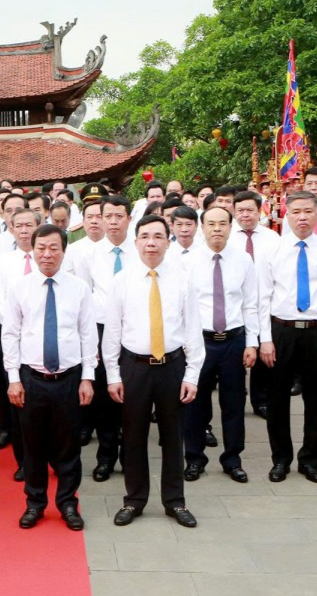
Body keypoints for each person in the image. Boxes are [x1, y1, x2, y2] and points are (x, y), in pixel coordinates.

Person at [102, 215, 201, 528]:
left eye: (158, 237)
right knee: (133, 436)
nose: (151, 243)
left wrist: (192, 374)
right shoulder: (122, 281)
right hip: (134, 368)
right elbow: (112, 333)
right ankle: (134, 500)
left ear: (168, 242)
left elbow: (192, 329)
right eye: (145, 236)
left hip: (172, 366)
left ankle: (175, 501)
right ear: (136, 242)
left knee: (173, 436)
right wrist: (113, 375)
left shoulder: (182, 280)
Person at [1, 224, 95, 531]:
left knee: (69, 445)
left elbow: (87, 334)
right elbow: (11, 334)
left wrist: (88, 377)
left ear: (64, 251)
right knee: (33, 446)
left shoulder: (79, 288)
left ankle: (68, 503)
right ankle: (35, 503)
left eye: (54, 248)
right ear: (33, 249)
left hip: (69, 377)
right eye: (41, 248)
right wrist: (13, 378)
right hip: (31, 379)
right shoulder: (20, 287)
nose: (47, 254)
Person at [259, 192, 317, 484]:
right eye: (296, 212)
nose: (302, 217)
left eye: (308, 211)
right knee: (278, 398)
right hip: (281, 330)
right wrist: (265, 339)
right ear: (287, 215)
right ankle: (280, 459)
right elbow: (263, 297)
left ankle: (310, 460)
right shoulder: (273, 249)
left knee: (315, 398)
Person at [183, 206, 259, 484]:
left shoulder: (243, 260)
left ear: (231, 226)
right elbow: (180, 307)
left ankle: (232, 460)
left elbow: (251, 304)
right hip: (199, 341)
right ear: (202, 227)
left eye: (222, 223)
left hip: (233, 340)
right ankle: (194, 458)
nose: (217, 228)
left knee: (234, 402)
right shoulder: (187, 261)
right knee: (194, 402)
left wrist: (252, 343)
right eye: (211, 223)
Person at [84, 195, 134, 482]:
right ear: (100, 219)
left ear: (128, 218)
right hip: (101, 331)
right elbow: (85, 300)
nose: (113, 221)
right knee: (103, 400)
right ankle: (105, 458)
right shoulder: (88, 255)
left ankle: (130, 457)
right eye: (108, 216)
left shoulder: (140, 251)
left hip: (132, 331)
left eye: (119, 216)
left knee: (130, 398)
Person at [0, 208, 43, 477]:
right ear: (10, 229)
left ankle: (50, 457)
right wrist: (16, 324)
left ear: (39, 226)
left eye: (29, 225)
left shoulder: (48, 257)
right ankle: (24, 461)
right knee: (16, 395)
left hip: (44, 336)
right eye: (18, 226)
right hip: (11, 334)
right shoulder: (2, 261)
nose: (24, 230)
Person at [233, 191, 281, 418]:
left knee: (263, 352)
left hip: (264, 303)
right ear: (234, 212)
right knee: (236, 355)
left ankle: (260, 401)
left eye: (250, 210)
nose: (245, 215)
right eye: (240, 210)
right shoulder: (228, 237)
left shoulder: (273, 239)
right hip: (234, 305)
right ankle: (236, 397)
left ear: (259, 211)